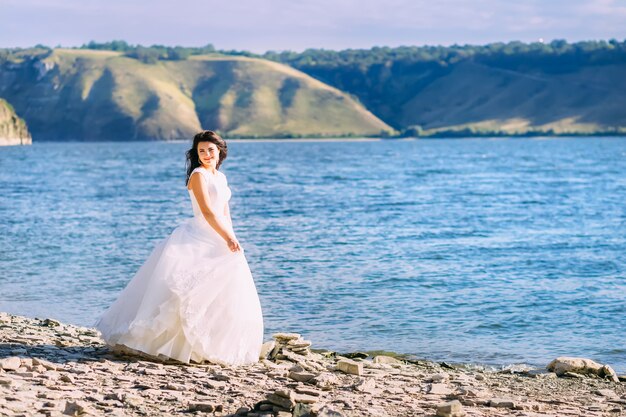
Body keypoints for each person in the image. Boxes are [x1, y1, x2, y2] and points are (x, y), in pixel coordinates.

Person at [93, 130, 264, 366]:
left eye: (210, 150)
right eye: (201, 151)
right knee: (185, 292)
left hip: (220, 236)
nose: (206, 154)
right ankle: (171, 345)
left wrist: (232, 237)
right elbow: (206, 211)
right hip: (199, 236)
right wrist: (226, 236)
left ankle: (209, 344)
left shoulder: (220, 177)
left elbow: (224, 211)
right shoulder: (198, 175)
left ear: (220, 151)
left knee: (219, 292)